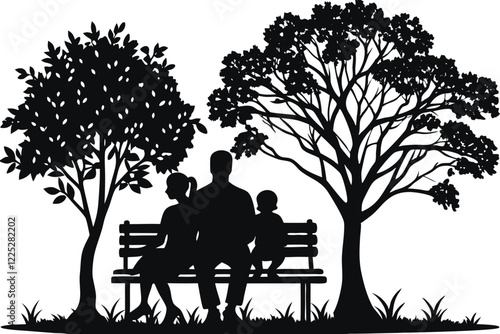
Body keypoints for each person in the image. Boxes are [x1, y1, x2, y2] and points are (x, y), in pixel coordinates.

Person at [128, 173, 197, 325]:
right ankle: (166, 308)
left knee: (152, 267)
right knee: (152, 266)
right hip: (180, 257)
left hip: (180, 258)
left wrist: (135, 252)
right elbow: (160, 241)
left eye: (169, 187)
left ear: (178, 189)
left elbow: (159, 240)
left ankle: (147, 304)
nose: (166, 191)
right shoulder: (194, 209)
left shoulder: (172, 212)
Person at [194, 150, 255, 324]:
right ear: (230, 168)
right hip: (226, 247)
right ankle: (229, 309)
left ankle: (214, 311)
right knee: (242, 260)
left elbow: (194, 227)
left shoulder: (200, 195)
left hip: (210, 246)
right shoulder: (242, 196)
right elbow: (250, 230)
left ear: (211, 168)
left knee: (204, 262)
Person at [251, 190, 286, 278]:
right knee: (280, 254)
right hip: (275, 249)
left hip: (260, 249)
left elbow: (251, 234)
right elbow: (282, 234)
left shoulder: (256, 219)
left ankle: (259, 269)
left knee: (254, 255)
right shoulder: (277, 218)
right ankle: (272, 269)